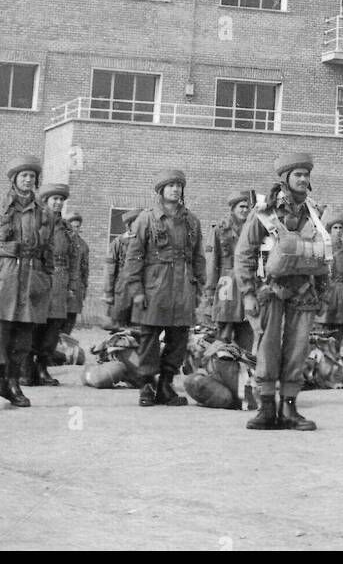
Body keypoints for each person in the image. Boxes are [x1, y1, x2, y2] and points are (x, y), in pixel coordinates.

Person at [235, 153, 328, 430]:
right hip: (270, 291)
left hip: (303, 292)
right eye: (298, 174)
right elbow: (244, 253)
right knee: (267, 348)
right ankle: (265, 409)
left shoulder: (313, 211)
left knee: (298, 349)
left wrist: (322, 293)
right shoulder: (264, 212)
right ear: (285, 179)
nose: (303, 179)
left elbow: (325, 255)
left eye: (306, 175)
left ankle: (289, 410)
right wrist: (248, 294)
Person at [124, 169, 205, 408]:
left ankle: (166, 385)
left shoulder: (191, 221)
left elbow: (198, 257)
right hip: (154, 286)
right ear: (161, 190)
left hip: (183, 286)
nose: (175, 189)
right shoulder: (146, 219)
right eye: (170, 186)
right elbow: (133, 258)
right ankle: (147, 385)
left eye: (179, 185)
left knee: (178, 337)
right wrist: (136, 290)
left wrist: (201, 287)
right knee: (149, 336)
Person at [0, 156, 54, 407]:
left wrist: (46, 280)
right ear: (14, 180)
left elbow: (49, 250)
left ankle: (14, 381)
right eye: (24, 176)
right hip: (4, 275)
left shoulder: (44, 213)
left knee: (24, 335)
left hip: (32, 277)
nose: (28, 180)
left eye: (32, 176)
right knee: (2, 332)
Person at [29, 183, 75, 386]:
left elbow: (74, 257)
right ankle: (26, 368)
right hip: (40, 278)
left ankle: (42, 367)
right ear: (45, 201)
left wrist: (72, 285)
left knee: (53, 329)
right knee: (34, 325)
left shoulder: (66, 228)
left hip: (61, 280)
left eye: (61, 200)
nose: (58, 203)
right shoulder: (37, 222)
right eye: (54, 199)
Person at [206, 191, 254, 353]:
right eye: (241, 207)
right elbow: (212, 262)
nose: (245, 210)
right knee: (223, 337)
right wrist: (210, 291)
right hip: (227, 285)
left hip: (248, 283)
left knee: (247, 336)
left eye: (247, 207)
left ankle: (243, 372)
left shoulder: (254, 230)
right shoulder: (221, 230)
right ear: (233, 208)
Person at [319, 210, 343, 353]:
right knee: (322, 333)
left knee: (338, 333)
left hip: (341, 297)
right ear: (329, 230)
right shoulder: (322, 250)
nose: (338, 231)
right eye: (335, 228)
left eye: (341, 228)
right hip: (326, 296)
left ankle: (335, 360)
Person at [103, 208, 141, 329]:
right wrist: (108, 292)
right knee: (119, 329)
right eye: (138, 223)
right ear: (129, 225)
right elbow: (110, 269)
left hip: (140, 291)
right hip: (121, 289)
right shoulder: (118, 243)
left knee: (138, 330)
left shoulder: (147, 243)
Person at [62, 209, 89, 335]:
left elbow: (85, 269)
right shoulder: (61, 242)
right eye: (71, 226)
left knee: (70, 320)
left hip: (76, 287)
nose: (74, 230)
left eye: (77, 227)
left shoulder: (83, 245)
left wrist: (84, 289)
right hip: (61, 286)